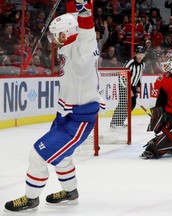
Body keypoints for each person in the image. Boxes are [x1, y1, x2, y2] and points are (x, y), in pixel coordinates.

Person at [4, 0, 104, 212]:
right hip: (66, 116)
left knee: (37, 154)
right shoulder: (71, 44)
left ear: (65, 34)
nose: (53, 40)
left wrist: (85, 10)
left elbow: (86, 32)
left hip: (79, 120)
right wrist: (77, 5)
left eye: (55, 35)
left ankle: (31, 199)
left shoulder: (82, 51)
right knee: (62, 156)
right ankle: (70, 192)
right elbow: (76, 22)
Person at [110, 45, 145, 128]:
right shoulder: (130, 62)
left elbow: (139, 75)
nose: (140, 56)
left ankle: (120, 121)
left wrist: (138, 86)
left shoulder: (143, 63)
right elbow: (122, 74)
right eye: (139, 54)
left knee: (132, 105)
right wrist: (128, 89)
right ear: (135, 54)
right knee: (123, 104)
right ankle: (114, 122)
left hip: (133, 86)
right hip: (124, 85)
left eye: (142, 54)